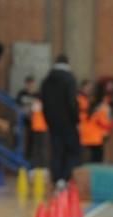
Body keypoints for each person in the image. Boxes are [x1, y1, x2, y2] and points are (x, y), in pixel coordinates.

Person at [40, 54, 79, 191]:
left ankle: (56, 179)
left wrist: (48, 119)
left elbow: (43, 102)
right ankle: (65, 178)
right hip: (68, 122)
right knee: (71, 150)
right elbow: (72, 102)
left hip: (52, 122)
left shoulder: (47, 80)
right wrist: (76, 120)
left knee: (56, 150)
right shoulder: (69, 79)